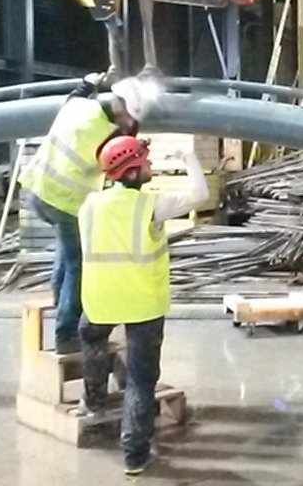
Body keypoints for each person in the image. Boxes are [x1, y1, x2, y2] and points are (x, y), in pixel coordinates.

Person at [77, 135, 209, 475]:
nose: (150, 167)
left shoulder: (90, 204)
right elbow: (201, 195)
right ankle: (135, 455)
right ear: (133, 171)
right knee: (140, 379)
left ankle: (92, 404)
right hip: (142, 304)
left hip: (99, 298)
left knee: (93, 342)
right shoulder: (149, 206)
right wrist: (188, 158)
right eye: (145, 162)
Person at [19, 73, 151, 354]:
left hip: (36, 191)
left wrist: (89, 82)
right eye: (130, 116)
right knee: (77, 265)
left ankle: (59, 300)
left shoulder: (78, 106)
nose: (130, 122)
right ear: (122, 108)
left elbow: (76, 95)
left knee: (65, 255)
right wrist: (137, 146)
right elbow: (119, 158)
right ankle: (66, 334)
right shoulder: (108, 134)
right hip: (64, 202)